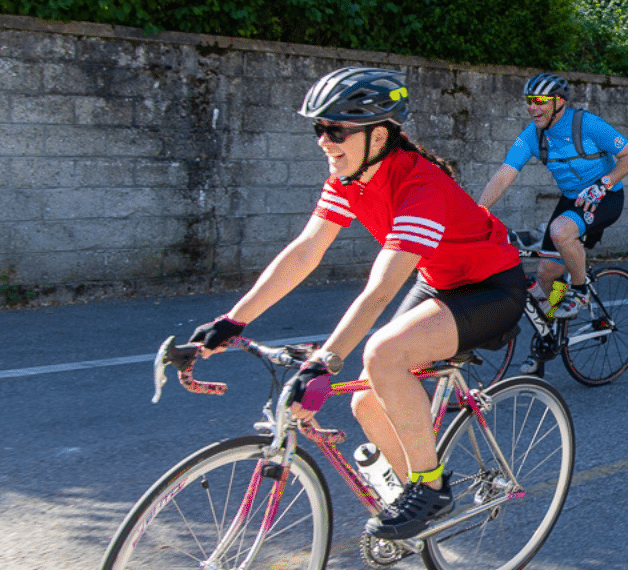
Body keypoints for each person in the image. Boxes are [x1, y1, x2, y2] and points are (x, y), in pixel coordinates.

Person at [187, 67, 524, 540]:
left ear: (379, 134)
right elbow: (305, 251)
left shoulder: (420, 187)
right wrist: (232, 320)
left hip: (491, 288)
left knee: (383, 353)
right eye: (318, 128)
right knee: (367, 399)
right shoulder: (350, 177)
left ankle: (431, 487)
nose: (324, 140)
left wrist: (325, 362)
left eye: (336, 129)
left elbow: (381, 289)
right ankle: (418, 490)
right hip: (440, 282)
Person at [476, 72, 628, 374]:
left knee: (560, 230)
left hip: (605, 196)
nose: (533, 107)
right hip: (571, 200)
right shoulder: (533, 135)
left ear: (559, 103)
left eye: (540, 101)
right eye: (529, 101)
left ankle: (578, 291)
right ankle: (546, 340)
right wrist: (476, 212)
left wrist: (603, 183)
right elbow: (503, 175)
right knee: (546, 273)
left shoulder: (587, 124)